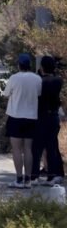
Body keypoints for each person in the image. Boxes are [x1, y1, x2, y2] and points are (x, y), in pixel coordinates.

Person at [5, 54, 42, 189]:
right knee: (28, 148)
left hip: (15, 116)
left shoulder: (14, 78)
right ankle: (28, 179)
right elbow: (38, 94)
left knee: (16, 149)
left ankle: (19, 179)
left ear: (19, 65)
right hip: (31, 117)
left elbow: (6, 94)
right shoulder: (37, 78)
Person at [34, 56, 64, 186]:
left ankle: (34, 175)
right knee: (52, 145)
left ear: (42, 67)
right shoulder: (58, 81)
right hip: (54, 116)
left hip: (40, 116)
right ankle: (54, 174)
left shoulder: (39, 82)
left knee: (37, 147)